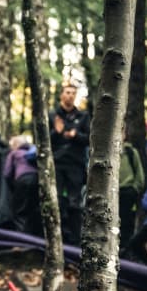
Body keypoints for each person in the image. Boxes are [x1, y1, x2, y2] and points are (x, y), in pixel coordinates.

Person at [51, 84, 90, 244]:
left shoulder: (83, 116)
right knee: (58, 202)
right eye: (67, 92)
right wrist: (57, 132)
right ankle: (57, 239)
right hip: (57, 163)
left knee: (75, 204)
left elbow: (88, 138)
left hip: (75, 164)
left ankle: (75, 242)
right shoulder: (53, 115)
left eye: (74, 93)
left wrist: (75, 135)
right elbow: (45, 139)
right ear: (61, 95)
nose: (70, 96)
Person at [4, 135, 39, 234]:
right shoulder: (33, 151)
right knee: (33, 211)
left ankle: (22, 241)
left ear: (15, 145)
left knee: (19, 212)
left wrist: (12, 186)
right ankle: (34, 239)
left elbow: (7, 173)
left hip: (22, 181)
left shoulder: (14, 153)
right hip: (37, 181)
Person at [119, 130, 146, 247]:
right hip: (111, 194)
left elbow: (140, 175)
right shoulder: (104, 152)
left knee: (126, 224)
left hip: (127, 193)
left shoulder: (130, 152)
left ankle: (126, 252)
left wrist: (134, 190)